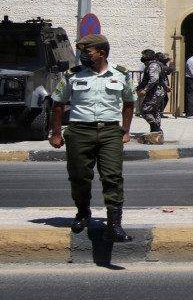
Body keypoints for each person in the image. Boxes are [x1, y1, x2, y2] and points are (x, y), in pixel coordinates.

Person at [48, 33, 136, 242]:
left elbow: (129, 103)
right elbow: (58, 104)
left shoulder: (121, 74)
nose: (83, 56)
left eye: (88, 52)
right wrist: (56, 133)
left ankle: (114, 224)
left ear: (102, 53)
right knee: (79, 176)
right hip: (79, 131)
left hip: (110, 132)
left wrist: (125, 131)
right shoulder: (73, 75)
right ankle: (83, 212)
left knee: (113, 177)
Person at [136, 49, 168, 135]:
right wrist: (166, 87)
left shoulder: (153, 65)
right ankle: (156, 131)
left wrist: (145, 90)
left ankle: (155, 127)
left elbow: (154, 79)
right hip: (158, 91)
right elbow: (161, 78)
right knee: (155, 111)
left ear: (147, 56)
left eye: (143, 55)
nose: (142, 57)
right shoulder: (155, 64)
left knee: (144, 110)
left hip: (154, 92)